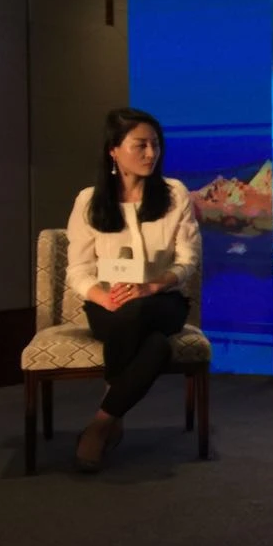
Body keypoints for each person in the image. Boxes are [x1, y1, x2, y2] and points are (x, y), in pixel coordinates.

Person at [66, 108, 203, 473]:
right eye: (140, 145)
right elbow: (78, 270)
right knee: (155, 346)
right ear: (113, 150)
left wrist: (152, 286)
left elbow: (188, 259)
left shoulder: (174, 194)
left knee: (139, 310)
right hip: (108, 303)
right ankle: (112, 418)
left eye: (155, 145)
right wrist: (103, 297)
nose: (150, 153)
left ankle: (100, 425)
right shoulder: (88, 201)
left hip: (163, 301)